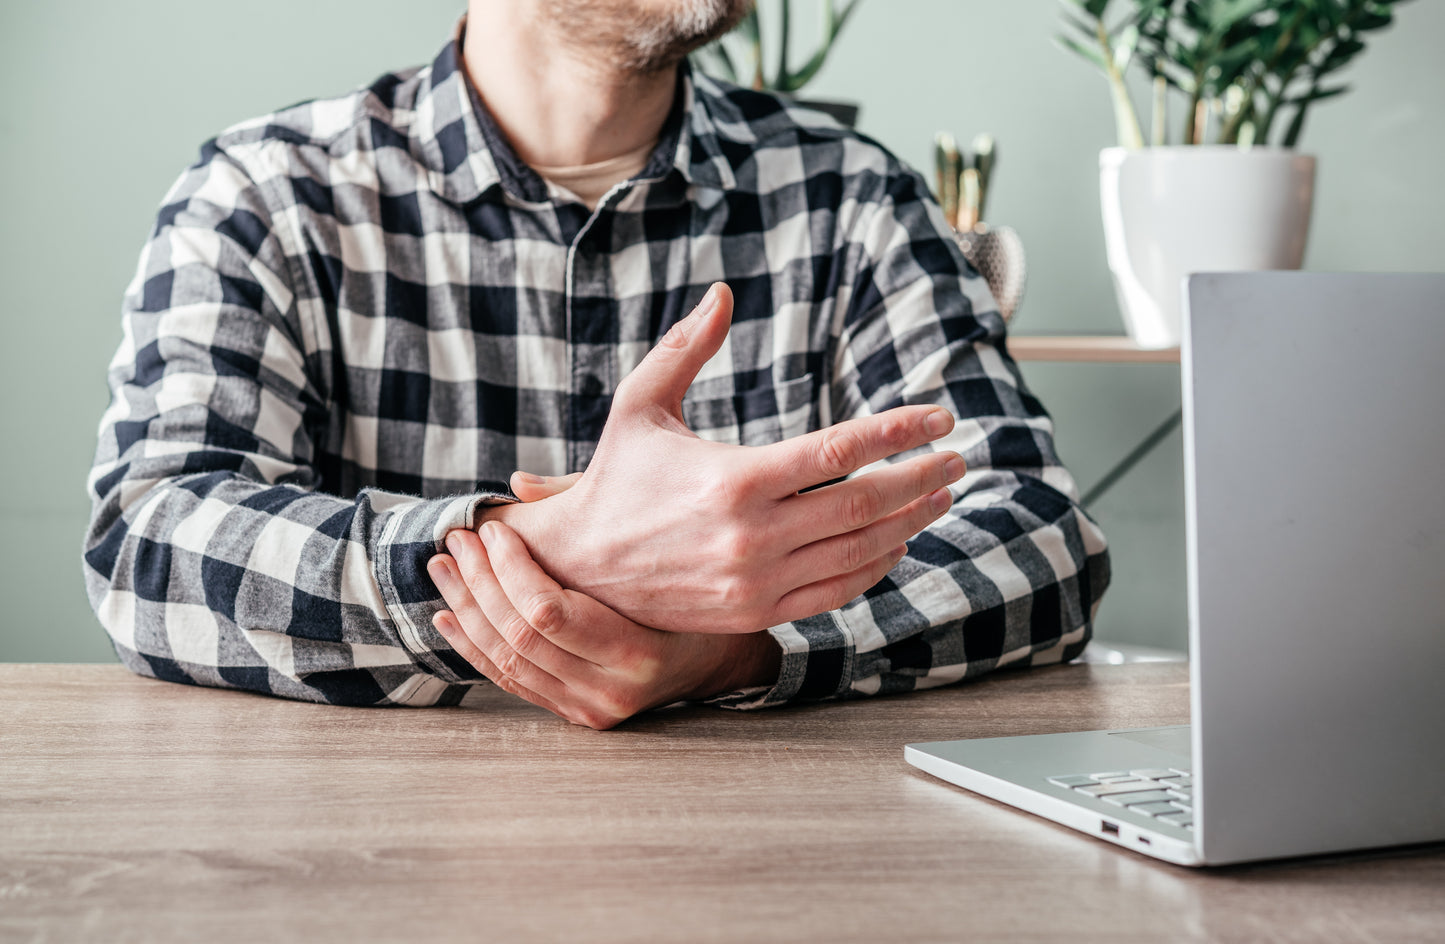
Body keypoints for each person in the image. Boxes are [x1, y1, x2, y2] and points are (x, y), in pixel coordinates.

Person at [83, 0, 1111, 728]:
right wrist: (546, 550)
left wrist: (736, 649)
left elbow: (1039, 535)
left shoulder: (849, 196)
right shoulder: (266, 193)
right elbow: (150, 539)